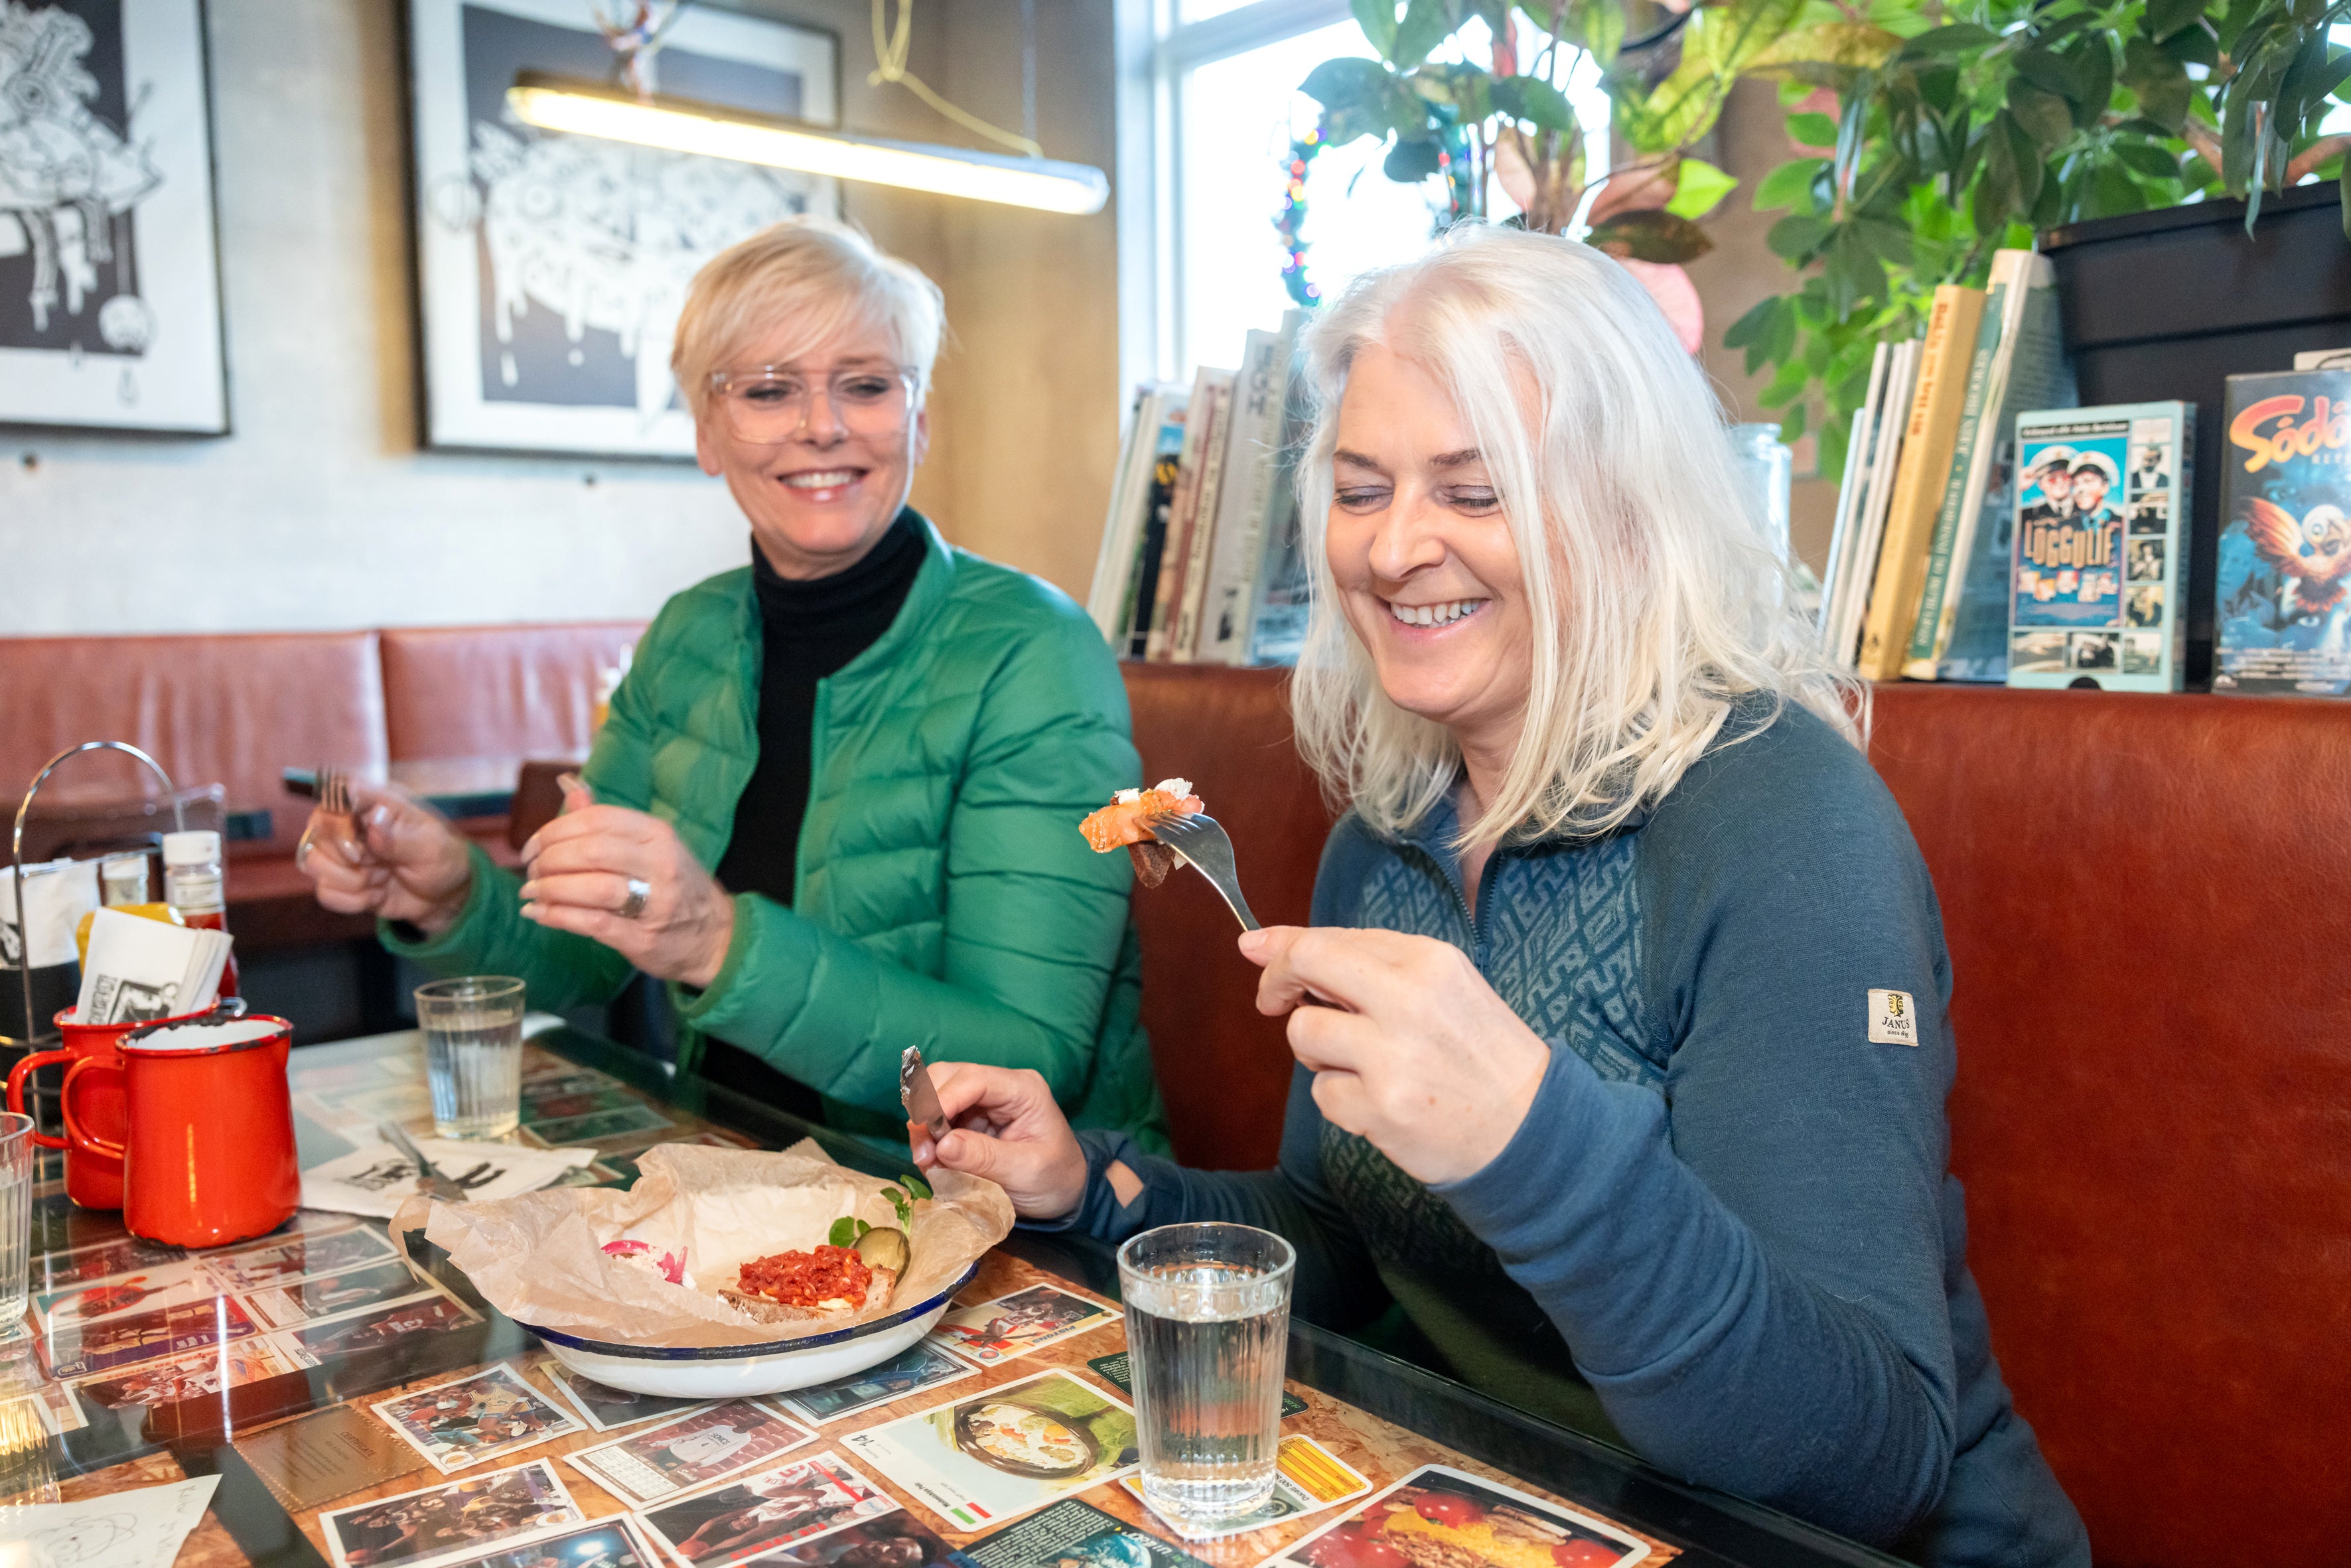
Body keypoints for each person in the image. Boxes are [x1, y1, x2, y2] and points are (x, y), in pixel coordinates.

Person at [912, 226, 2090, 1567]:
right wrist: (1093, 1192)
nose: (1396, 548)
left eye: (1474, 494)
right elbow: (1347, 1242)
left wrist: (1529, 1141)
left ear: (1620, 507)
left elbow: (1864, 1460)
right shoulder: (1383, 835)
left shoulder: (1777, 822)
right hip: (1525, 1516)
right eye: (1361, 490)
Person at [297, 218, 1167, 1149]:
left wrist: (715, 942)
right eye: (768, 389)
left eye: (866, 385)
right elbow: (589, 954)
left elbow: (1031, 1056)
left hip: (994, 1214)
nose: (822, 425)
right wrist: (451, 897)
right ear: (709, 435)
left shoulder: (1033, 651)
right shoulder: (689, 635)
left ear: (917, 420)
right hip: (736, 1173)